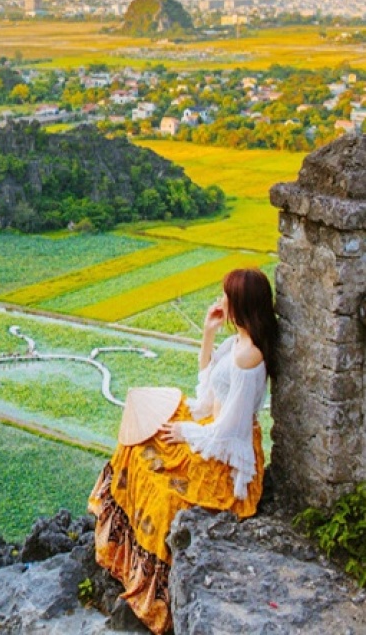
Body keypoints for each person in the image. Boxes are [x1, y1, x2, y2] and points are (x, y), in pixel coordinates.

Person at [88, 268, 277, 634]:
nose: (220, 302)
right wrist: (208, 335)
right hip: (210, 431)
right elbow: (209, 390)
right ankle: (121, 555)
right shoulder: (237, 343)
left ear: (240, 303)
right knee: (139, 438)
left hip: (223, 454)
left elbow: (229, 430)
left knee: (161, 488)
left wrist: (186, 432)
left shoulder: (248, 357)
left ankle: (153, 588)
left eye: (226, 297)